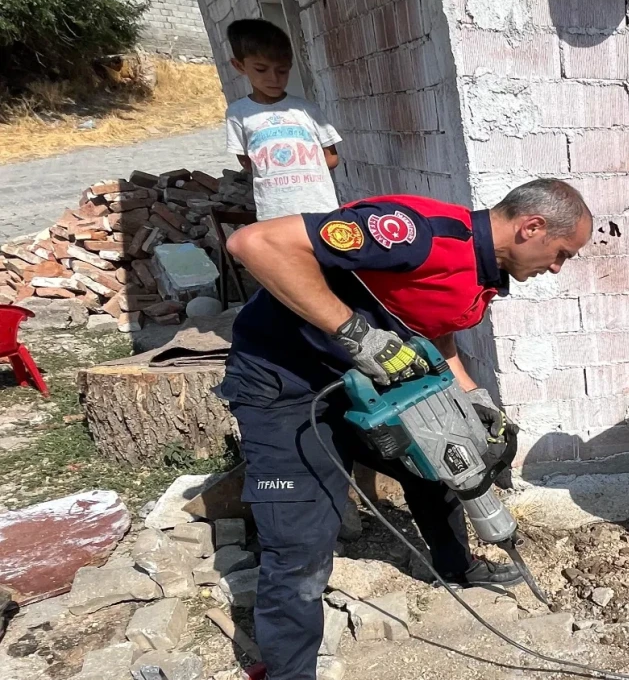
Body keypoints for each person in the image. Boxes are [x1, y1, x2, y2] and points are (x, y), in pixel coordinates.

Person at [219, 180, 592, 679]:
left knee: (444, 459)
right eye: (561, 254)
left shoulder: (480, 270)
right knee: (300, 542)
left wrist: (473, 401)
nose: (556, 268)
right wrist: (354, 332)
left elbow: (430, 326)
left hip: (363, 384)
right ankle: (288, 672)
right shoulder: (417, 233)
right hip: (287, 387)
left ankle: (455, 569)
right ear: (532, 228)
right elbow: (255, 243)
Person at [224, 18, 343, 221]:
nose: (274, 78)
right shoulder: (238, 114)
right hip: (274, 213)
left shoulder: (307, 109)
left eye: (282, 70)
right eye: (261, 69)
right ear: (239, 66)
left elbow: (332, 158)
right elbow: (247, 161)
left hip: (321, 210)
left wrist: (297, 172)